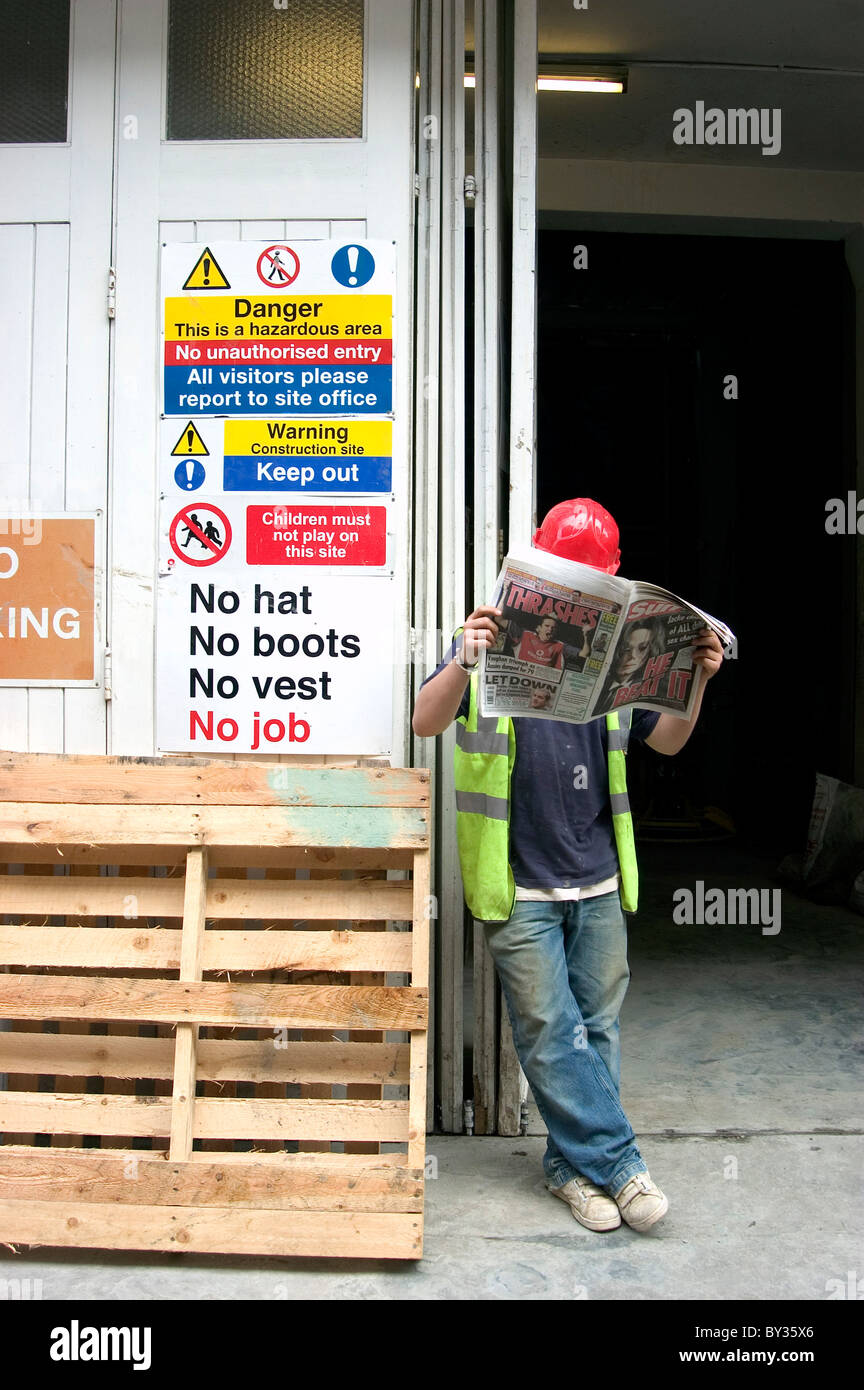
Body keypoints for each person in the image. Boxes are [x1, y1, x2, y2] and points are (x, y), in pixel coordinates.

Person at [412, 497, 724, 1233]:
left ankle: (569, 1169)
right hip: (517, 882)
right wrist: (464, 655)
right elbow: (425, 719)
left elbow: (670, 744)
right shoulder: (487, 638)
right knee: (551, 1030)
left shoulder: (619, 657)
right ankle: (620, 1166)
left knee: (598, 1030)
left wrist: (700, 677)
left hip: (599, 878)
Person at [593, 616, 666, 715]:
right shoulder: (600, 684)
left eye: (642, 648)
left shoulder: (653, 693)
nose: (633, 656)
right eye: (626, 648)